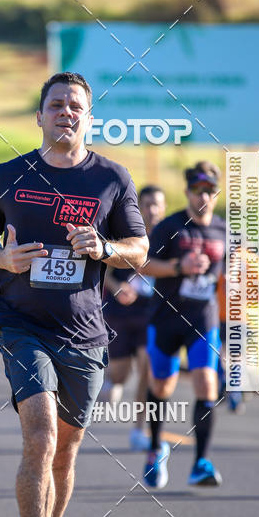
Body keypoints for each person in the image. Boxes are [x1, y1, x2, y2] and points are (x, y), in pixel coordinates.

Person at [0, 71, 148, 517]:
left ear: (89, 117)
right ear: (39, 116)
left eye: (75, 106)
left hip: (85, 331)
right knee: (42, 436)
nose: (65, 112)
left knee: (66, 453)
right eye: (56, 105)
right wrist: (2, 258)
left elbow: (139, 248)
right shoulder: (8, 175)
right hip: (21, 325)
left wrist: (104, 247)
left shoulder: (112, 178)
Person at [142, 161, 226, 489]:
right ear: (187, 191)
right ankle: (155, 447)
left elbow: (235, 270)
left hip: (203, 320)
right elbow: (144, 265)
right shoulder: (170, 226)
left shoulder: (225, 230)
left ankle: (201, 463)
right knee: (162, 387)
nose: (203, 196)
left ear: (216, 193)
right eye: (197, 190)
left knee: (207, 383)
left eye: (209, 190)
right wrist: (180, 266)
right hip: (166, 318)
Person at [103, 185, 166, 450]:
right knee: (120, 375)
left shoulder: (169, 236)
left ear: (164, 208)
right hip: (120, 312)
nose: (152, 210)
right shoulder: (126, 232)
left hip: (150, 314)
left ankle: (140, 428)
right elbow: (103, 270)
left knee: (147, 368)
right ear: (139, 207)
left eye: (157, 204)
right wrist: (117, 288)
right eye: (147, 204)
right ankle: (109, 381)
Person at [216, 247, 259, 413]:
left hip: (226, 316)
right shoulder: (254, 261)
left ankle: (232, 390)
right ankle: (237, 388)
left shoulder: (223, 257)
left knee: (226, 354)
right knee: (238, 355)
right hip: (249, 318)